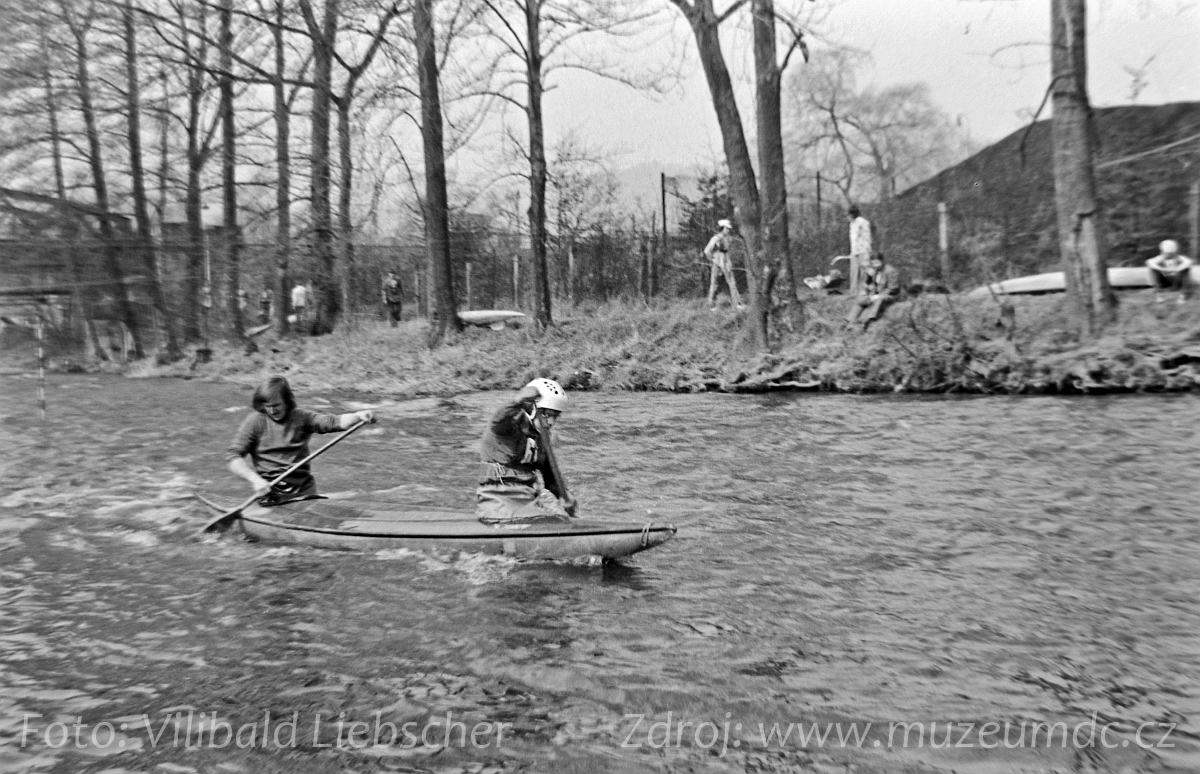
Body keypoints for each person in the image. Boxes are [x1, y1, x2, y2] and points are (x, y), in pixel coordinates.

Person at [227, 376, 375, 505]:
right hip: (272, 495)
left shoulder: (301, 417)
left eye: (276, 405)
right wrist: (255, 479)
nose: (272, 411)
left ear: (287, 401)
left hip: (305, 493)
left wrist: (358, 416)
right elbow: (233, 457)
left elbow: (333, 422)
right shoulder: (254, 422)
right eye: (268, 406)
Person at [476, 378, 577, 524]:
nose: (551, 422)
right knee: (549, 522)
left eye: (556, 416)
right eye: (547, 414)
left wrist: (564, 495)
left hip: (528, 499)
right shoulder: (506, 426)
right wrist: (517, 400)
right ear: (530, 408)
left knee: (560, 519)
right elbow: (499, 418)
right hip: (497, 500)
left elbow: (550, 477)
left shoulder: (542, 437)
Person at [846, 252, 901, 330]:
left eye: (877, 263)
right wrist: (868, 291)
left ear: (882, 261)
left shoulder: (890, 271)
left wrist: (877, 295)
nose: (875, 265)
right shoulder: (875, 270)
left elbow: (893, 288)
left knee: (879, 299)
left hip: (890, 296)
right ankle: (850, 321)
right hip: (877, 294)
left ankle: (866, 321)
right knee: (861, 299)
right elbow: (872, 284)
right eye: (873, 263)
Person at [703, 219, 743, 309]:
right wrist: (712, 259)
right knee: (714, 283)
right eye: (726, 228)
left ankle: (737, 303)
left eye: (728, 229)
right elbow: (707, 251)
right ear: (722, 228)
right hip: (718, 260)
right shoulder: (716, 238)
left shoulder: (727, 238)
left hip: (725, 259)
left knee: (732, 282)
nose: (728, 230)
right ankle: (711, 305)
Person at [1146, 239, 1193, 304]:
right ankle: (1159, 295)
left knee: (1186, 269)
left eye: (1170, 253)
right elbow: (1149, 262)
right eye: (1167, 253)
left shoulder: (1179, 257)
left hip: (1176, 281)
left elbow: (1189, 262)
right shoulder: (1160, 258)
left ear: (1174, 251)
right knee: (1153, 270)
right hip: (1165, 282)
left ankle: (1184, 295)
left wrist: (1176, 269)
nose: (1168, 255)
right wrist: (1162, 269)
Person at [846, 205, 872, 294]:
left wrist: (860, 250)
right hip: (855, 251)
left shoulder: (862, 222)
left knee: (863, 272)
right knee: (854, 272)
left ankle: (863, 291)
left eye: (848, 215)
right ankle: (853, 291)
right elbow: (853, 239)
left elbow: (861, 238)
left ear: (852, 215)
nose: (847, 217)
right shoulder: (852, 224)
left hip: (863, 250)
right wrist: (853, 251)